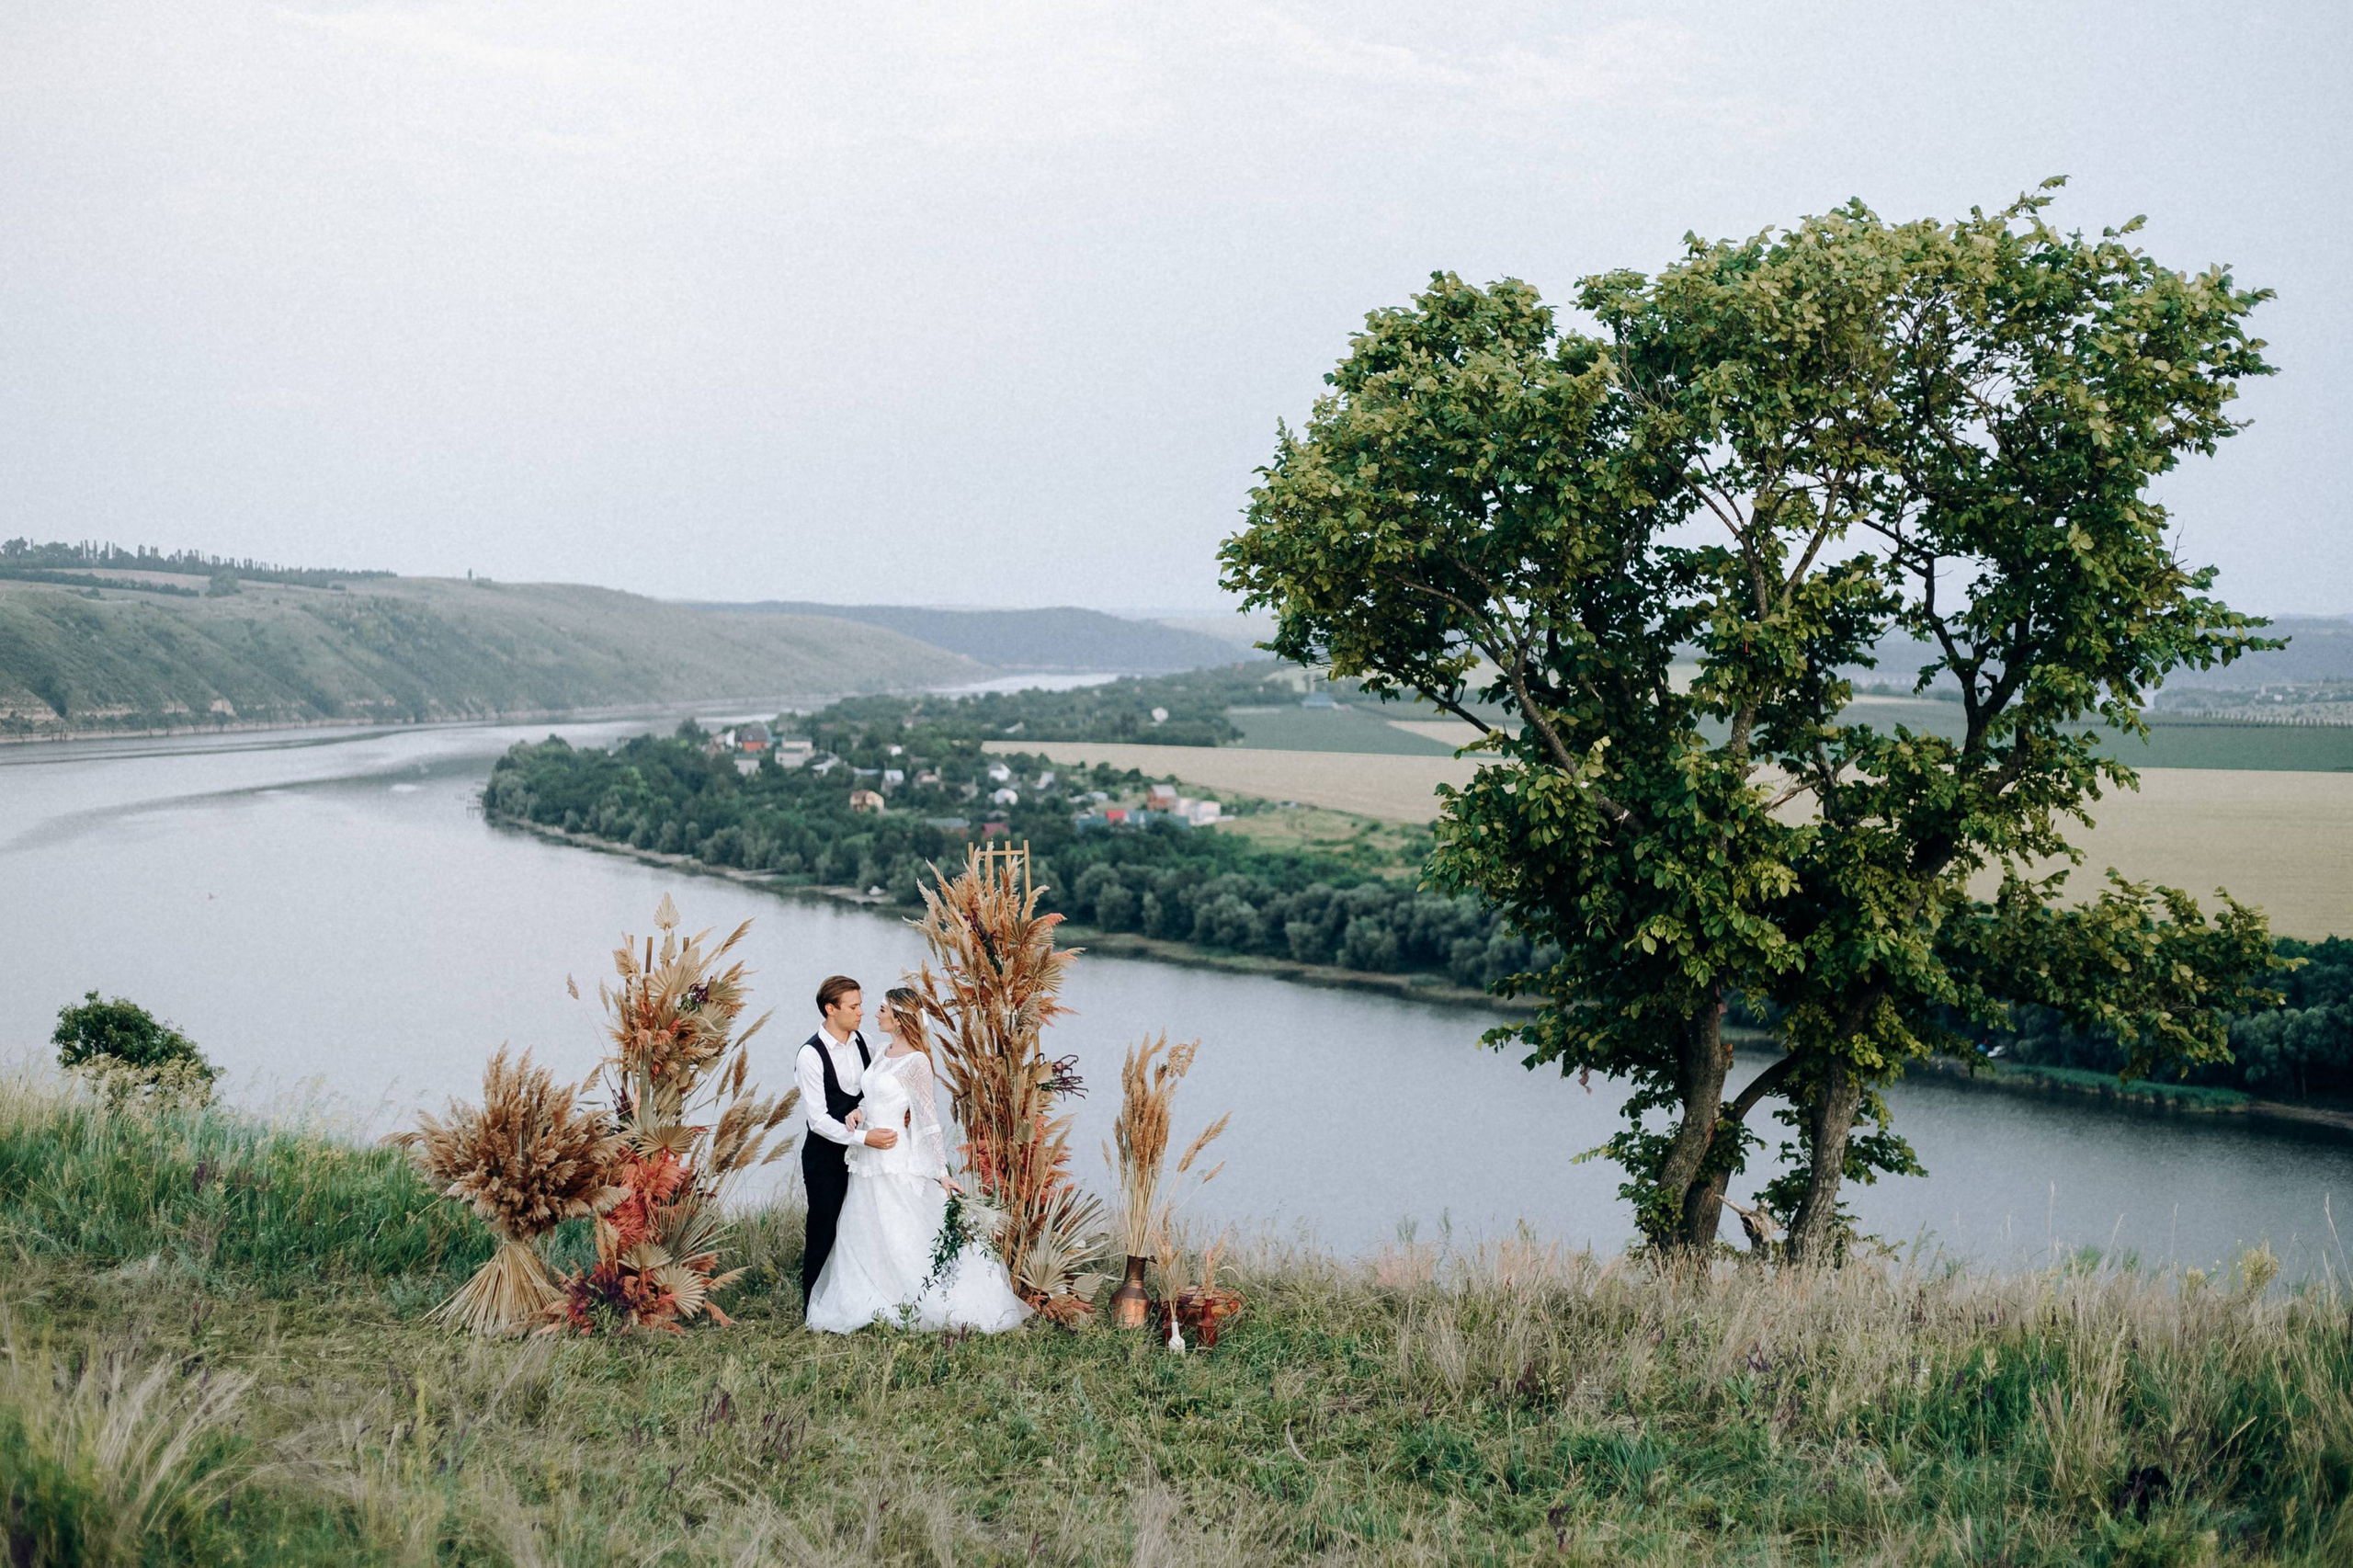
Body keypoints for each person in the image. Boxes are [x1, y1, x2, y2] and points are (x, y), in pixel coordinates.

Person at [803, 986, 1032, 1335]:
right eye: (865, 1007)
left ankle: (921, 1299)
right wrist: (858, 1111)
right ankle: (873, 1297)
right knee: (866, 1231)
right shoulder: (880, 1050)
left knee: (901, 1231)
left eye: (881, 1009)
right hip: (867, 1161)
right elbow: (873, 1094)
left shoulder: (917, 1062)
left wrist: (941, 1172)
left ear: (899, 1019)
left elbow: (928, 1121)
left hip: (895, 1157)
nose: (873, 1013)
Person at [795, 974, 894, 1308]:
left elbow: (877, 1088)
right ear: (830, 1009)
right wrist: (865, 1137)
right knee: (824, 1227)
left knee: (861, 1225)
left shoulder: (866, 1041)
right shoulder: (810, 1055)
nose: (861, 1012)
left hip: (865, 1157)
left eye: (861, 1005)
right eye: (853, 1007)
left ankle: (856, 1300)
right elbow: (818, 1120)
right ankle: (812, 1305)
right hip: (824, 1157)